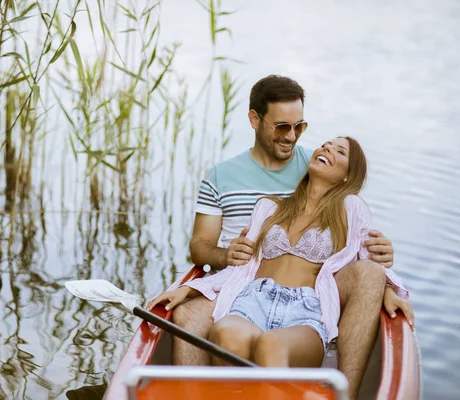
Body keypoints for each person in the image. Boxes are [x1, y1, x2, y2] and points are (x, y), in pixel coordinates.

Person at [149, 75, 413, 398]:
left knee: (271, 344)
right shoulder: (255, 198)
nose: (293, 137)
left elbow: (365, 258)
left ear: (347, 174)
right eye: (282, 127)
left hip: (306, 305)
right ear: (255, 120)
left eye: (299, 128)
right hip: (250, 294)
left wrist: (388, 289)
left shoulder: (346, 202)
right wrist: (190, 286)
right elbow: (227, 260)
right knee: (219, 330)